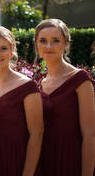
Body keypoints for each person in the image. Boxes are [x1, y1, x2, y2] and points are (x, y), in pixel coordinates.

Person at [35, 19, 95, 176]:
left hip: (70, 159)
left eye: (55, 41)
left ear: (66, 44)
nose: (48, 46)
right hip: (44, 159)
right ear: (37, 45)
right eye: (43, 41)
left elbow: (90, 135)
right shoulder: (40, 82)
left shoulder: (80, 79)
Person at [0, 26, 44, 176]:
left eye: (3, 48)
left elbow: (37, 134)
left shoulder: (27, 86)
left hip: (19, 159)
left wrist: (27, 173)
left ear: (12, 51)